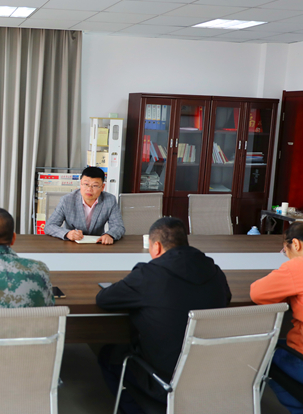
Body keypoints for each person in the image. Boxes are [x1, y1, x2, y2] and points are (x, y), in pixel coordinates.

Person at [96, 217, 231, 413]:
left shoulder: (148, 275)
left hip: (163, 379)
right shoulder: (215, 271)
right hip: (211, 375)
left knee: (108, 355)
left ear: (156, 247)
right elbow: (226, 298)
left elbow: (104, 299)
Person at [251, 222, 303, 414]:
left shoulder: (297, 265)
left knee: (259, 353)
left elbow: (257, 293)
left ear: (296, 244)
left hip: (301, 357)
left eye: (285, 251)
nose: (286, 255)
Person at [44, 166, 124, 244]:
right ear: (80, 183)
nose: (89, 189)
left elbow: (118, 226)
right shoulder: (67, 200)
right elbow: (49, 226)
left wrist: (109, 235)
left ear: (102, 187)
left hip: (97, 244)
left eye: (95, 186)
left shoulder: (110, 200)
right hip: (72, 244)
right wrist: (67, 233)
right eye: (86, 184)